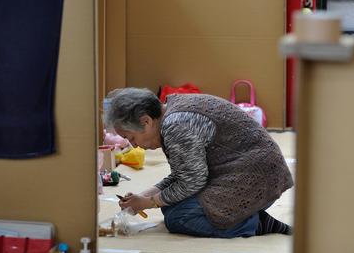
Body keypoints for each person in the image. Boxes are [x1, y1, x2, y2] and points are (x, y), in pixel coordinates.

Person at [104, 88, 294, 238]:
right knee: (170, 204)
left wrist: (148, 202)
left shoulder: (176, 126)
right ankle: (245, 217)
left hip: (257, 179)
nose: (132, 144)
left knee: (179, 217)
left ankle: (255, 223)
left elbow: (191, 182)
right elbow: (183, 174)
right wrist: (144, 196)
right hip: (243, 170)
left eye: (130, 137)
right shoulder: (170, 111)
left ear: (146, 122)